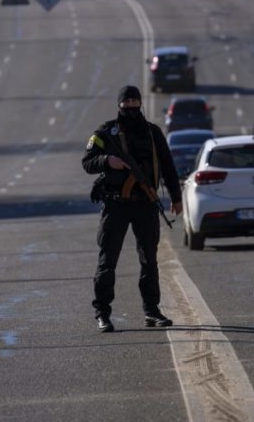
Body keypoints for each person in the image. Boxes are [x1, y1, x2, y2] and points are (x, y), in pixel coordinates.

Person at [82, 85, 183, 333]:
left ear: (141, 104)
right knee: (108, 261)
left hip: (145, 204)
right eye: (126, 104)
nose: (131, 107)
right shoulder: (106, 133)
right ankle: (102, 314)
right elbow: (87, 162)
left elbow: (168, 166)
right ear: (119, 106)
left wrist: (176, 196)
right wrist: (107, 160)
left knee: (149, 260)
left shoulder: (152, 132)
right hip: (115, 204)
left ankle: (152, 310)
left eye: (135, 103)